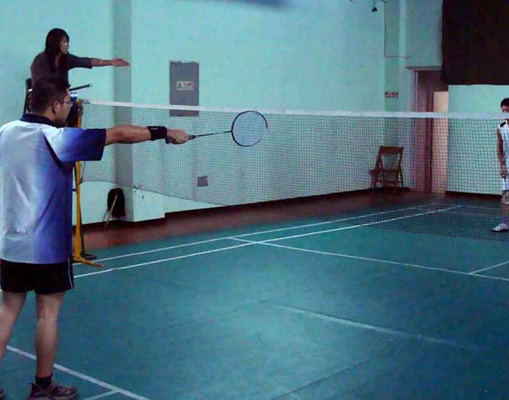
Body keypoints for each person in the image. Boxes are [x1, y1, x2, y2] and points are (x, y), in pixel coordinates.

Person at [0, 77, 188, 399]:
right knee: (47, 315)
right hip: (47, 250)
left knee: (6, 312)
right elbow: (118, 134)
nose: (71, 107)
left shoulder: (5, 132)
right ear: (55, 105)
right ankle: (43, 388)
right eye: (68, 102)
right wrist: (165, 132)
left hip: (10, 245)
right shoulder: (56, 138)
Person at [30, 28, 129, 86]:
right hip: (43, 103)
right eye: (65, 42)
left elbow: (87, 61)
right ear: (56, 43)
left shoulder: (66, 59)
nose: (68, 45)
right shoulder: (40, 61)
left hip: (60, 102)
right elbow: (39, 86)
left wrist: (111, 62)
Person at [492, 98, 509, 232]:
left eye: (507, 110)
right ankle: (504, 223)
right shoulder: (500, 127)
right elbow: (499, 147)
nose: (505, 113)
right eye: (503, 110)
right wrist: (502, 166)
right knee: (506, 194)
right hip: (507, 165)